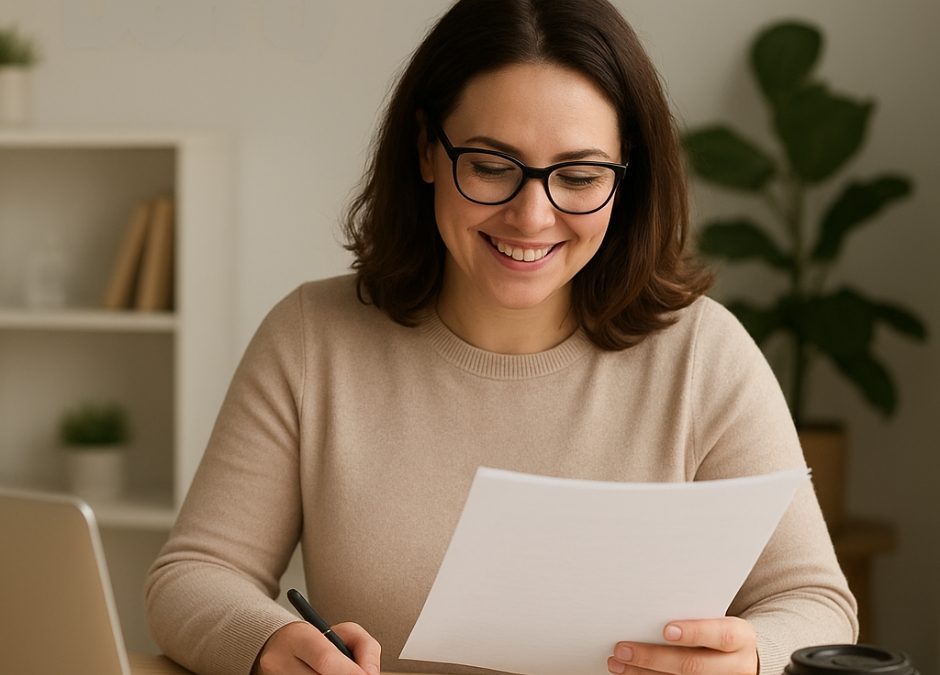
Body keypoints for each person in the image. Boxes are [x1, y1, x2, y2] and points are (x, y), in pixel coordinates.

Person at [145, 1, 857, 673]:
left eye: (579, 176)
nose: (532, 215)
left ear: (626, 176)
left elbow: (817, 603)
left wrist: (754, 654)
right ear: (427, 149)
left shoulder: (704, 356)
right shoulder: (311, 339)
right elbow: (194, 575)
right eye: (491, 166)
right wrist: (270, 637)